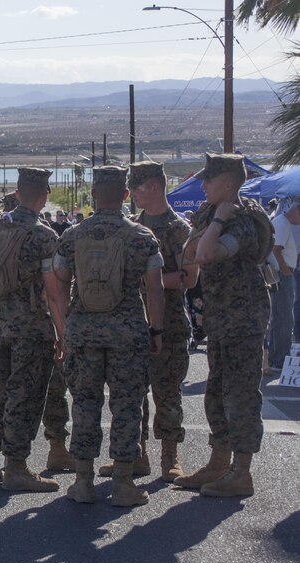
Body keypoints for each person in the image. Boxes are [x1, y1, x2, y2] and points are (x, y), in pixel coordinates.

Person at [54, 166, 165, 507]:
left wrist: (63, 330)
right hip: (128, 334)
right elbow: (155, 289)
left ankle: (84, 482)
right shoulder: (142, 237)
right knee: (127, 407)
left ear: (92, 196)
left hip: (82, 334)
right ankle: (122, 484)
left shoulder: (71, 236)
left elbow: (59, 282)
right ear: (126, 196)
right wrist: (156, 330)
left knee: (84, 404)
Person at [174, 153, 273, 497]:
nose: (202, 185)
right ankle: (218, 463)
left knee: (241, 394)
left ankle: (241, 472)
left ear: (229, 184)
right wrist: (212, 220)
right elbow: (187, 252)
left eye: (209, 180)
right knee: (215, 392)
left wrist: (217, 223)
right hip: (219, 318)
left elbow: (205, 255)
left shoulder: (243, 220)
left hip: (243, 319)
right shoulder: (210, 213)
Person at [98, 161, 199, 482]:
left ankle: (170, 455)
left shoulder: (180, 230)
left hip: (169, 323)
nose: (133, 195)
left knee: (167, 392)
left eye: (137, 188)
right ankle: (135, 454)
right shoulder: (131, 227)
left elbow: (190, 278)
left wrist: (149, 280)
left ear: (154, 187)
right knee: (129, 393)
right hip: (131, 323)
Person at [0, 168, 64, 492]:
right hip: (29, 328)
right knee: (26, 396)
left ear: (18, 192)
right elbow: (52, 292)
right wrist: (62, 332)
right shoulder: (43, 235)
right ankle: (17, 467)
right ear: (45, 194)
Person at [268, 197, 299, 372]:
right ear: (296, 210)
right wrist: (285, 271)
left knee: (282, 317)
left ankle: (277, 357)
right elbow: (276, 250)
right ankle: (280, 359)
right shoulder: (282, 223)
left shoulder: (282, 223)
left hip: (282, 272)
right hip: (282, 274)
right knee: (284, 317)